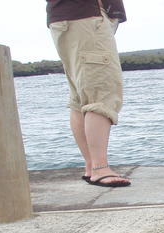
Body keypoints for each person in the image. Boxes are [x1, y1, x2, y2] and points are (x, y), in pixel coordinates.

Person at [46, 0, 130, 187]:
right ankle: (100, 167)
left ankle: (93, 165)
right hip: (86, 16)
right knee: (101, 93)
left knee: (80, 97)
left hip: (64, 17)